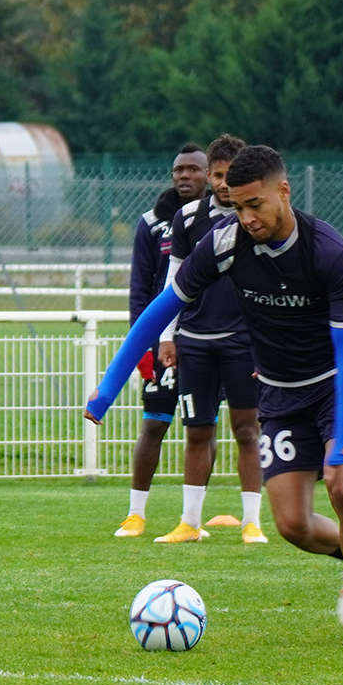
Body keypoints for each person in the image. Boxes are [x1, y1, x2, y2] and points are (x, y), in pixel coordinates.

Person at [87, 145, 343, 644]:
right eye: (237, 206)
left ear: (283, 192)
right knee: (292, 524)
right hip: (280, 392)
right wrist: (110, 385)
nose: (247, 217)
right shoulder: (223, 244)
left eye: (256, 205)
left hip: (336, 384)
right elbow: (160, 310)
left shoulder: (329, 252)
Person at [153, 134, 266, 544]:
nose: (222, 183)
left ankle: (252, 521)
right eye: (217, 175)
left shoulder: (254, 219)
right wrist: (167, 335)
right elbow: (174, 278)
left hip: (241, 341)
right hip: (195, 340)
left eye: (229, 176)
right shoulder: (186, 218)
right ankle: (189, 522)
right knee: (197, 431)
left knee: (247, 429)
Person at [114, 143, 211, 538]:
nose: (184, 176)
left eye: (193, 169)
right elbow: (141, 290)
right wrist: (142, 346)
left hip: (207, 339)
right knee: (153, 424)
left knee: (203, 428)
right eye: (178, 170)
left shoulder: (224, 221)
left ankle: (193, 518)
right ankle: (136, 514)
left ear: (209, 175)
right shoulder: (151, 224)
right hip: (162, 342)